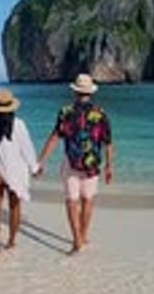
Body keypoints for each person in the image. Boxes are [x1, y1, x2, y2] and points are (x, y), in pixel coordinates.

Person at [37, 73, 113, 254]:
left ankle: (77, 240)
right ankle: (83, 236)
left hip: (71, 162)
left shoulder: (66, 112)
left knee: (72, 201)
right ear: (91, 92)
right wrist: (109, 166)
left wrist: (41, 160)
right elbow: (108, 142)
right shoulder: (101, 113)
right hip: (92, 164)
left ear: (75, 92)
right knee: (88, 200)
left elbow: (55, 137)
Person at [0, 88, 40, 260]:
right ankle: (12, 241)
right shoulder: (19, 124)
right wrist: (34, 167)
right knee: (15, 207)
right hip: (16, 173)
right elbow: (26, 148)